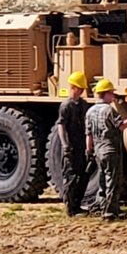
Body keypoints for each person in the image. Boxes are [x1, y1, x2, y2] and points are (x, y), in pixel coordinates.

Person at [85, 78, 127, 220]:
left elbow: (88, 134)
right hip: (110, 150)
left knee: (103, 181)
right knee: (113, 181)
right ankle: (110, 212)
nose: (113, 96)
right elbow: (121, 126)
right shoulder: (109, 110)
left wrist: (89, 151)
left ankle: (101, 207)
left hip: (98, 151)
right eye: (111, 93)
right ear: (104, 93)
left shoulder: (90, 111)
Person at [58, 71, 90, 216]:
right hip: (71, 146)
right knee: (71, 176)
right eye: (80, 88)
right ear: (74, 88)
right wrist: (65, 145)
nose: (82, 91)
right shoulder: (66, 106)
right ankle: (70, 207)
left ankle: (78, 205)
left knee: (82, 175)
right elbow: (61, 125)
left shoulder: (84, 105)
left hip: (81, 145)